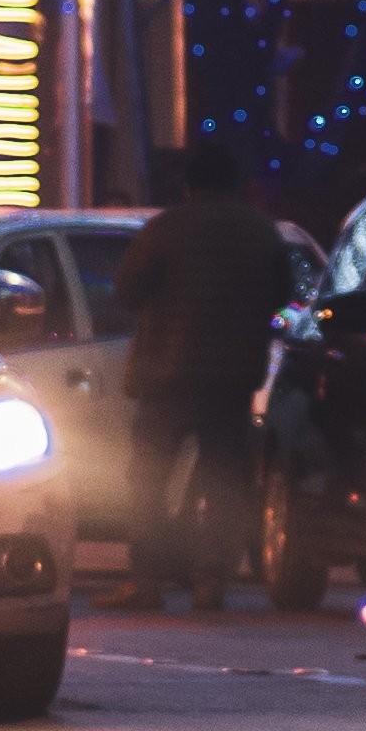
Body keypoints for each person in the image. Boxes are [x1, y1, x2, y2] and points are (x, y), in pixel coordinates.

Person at [111, 139, 293, 609]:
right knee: (223, 480)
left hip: (165, 377)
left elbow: (128, 290)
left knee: (148, 478)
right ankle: (211, 580)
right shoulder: (261, 232)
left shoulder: (165, 229)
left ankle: (146, 580)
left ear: (189, 184)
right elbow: (282, 293)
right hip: (233, 376)